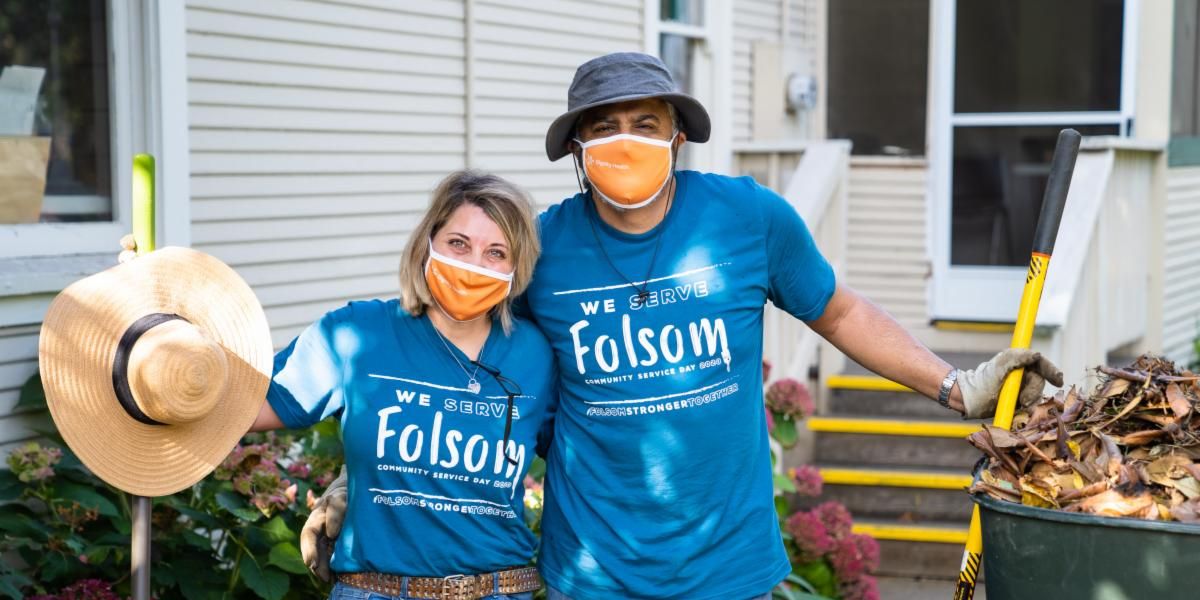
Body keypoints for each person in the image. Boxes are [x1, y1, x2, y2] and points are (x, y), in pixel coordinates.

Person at [306, 53, 1063, 599]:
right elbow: (458, 350)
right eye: (603, 127)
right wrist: (364, 478)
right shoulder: (542, 249)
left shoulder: (748, 217)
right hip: (592, 572)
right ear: (576, 147)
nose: (624, 140)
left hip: (727, 570)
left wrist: (955, 385)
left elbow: (838, 310)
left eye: (646, 122)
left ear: (677, 135)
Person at [250, 171, 556, 600]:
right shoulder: (356, 334)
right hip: (376, 589)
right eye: (458, 243)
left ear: (515, 269)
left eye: (496, 252)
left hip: (498, 590)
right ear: (427, 242)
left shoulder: (537, 357)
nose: (473, 264)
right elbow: (244, 407)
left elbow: (582, 458)